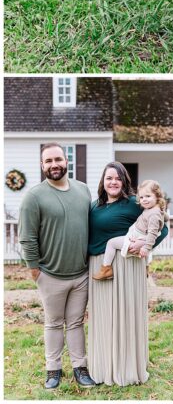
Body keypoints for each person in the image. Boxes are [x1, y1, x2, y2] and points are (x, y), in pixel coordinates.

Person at [17, 142, 97, 390]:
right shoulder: (34, 196)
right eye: (48, 161)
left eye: (58, 159)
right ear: (42, 165)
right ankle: (53, 370)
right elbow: (27, 236)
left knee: (75, 323)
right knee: (53, 322)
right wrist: (34, 269)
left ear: (67, 161)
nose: (54, 165)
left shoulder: (83, 190)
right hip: (50, 274)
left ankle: (80, 368)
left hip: (81, 273)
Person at [87, 162, 169, 386]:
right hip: (100, 267)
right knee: (104, 317)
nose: (113, 182)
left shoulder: (135, 204)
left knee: (126, 316)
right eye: (109, 178)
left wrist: (145, 244)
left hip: (128, 265)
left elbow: (162, 228)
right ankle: (103, 367)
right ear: (103, 182)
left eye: (118, 178)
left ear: (124, 181)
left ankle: (127, 367)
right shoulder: (94, 207)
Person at [93, 179, 167, 280]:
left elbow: (153, 233)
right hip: (139, 235)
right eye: (141, 197)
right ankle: (145, 268)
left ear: (157, 196)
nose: (144, 200)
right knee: (145, 252)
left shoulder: (154, 214)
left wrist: (146, 247)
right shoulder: (155, 209)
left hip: (136, 237)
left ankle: (106, 269)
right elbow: (164, 218)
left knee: (111, 243)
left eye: (148, 196)